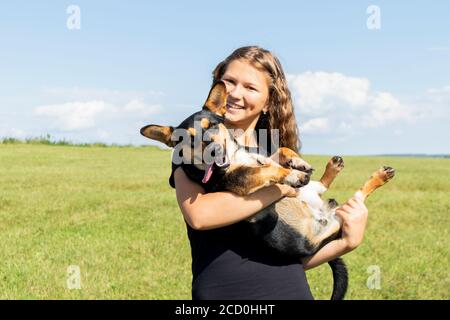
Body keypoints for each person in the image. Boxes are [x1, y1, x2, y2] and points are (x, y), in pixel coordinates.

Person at [170, 46, 368, 299]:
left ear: (268, 102)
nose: (234, 93)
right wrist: (281, 186)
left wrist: (346, 242)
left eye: (250, 87)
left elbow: (295, 255)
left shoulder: (276, 153)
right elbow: (200, 215)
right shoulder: (192, 147)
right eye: (229, 82)